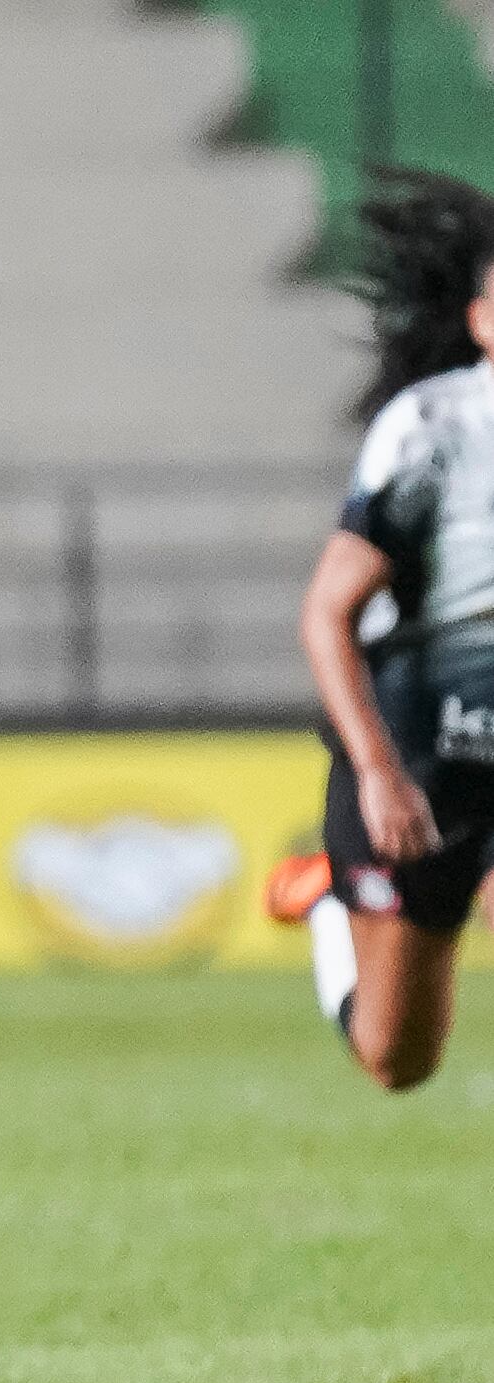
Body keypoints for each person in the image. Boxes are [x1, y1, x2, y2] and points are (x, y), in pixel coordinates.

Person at [266, 170, 494, 1091]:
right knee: (396, 1058)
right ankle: (328, 893)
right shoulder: (432, 431)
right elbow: (329, 611)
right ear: (481, 324)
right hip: (420, 766)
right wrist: (377, 772)